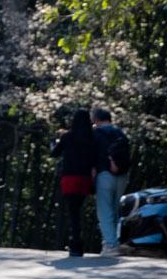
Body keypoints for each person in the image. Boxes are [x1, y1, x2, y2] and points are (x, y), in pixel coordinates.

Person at [52, 110, 102, 255]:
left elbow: (54, 153)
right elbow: (96, 158)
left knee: (73, 213)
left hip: (69, 178)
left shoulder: (67, 137)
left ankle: (75, 243)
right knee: (78, 210)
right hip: (85, 179)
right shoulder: (93, 138)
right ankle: (78, 243)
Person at [91, 107, 132, 251]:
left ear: (95, 119)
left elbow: (93, 155)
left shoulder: (96, 133)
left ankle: (110, 244)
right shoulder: (120, 133)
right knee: (115, 210)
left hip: (104, 175)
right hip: (122, 175)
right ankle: (113, 240)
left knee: (104, 210)